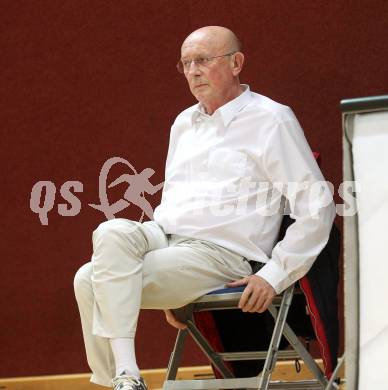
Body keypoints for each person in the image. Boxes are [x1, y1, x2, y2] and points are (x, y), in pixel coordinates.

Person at [74, 26, 335, 390]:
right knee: (109, 231)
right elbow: (176, 200)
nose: (193, 71)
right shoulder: (184, 122)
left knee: (88, 280)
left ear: (236, 63)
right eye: (185, 63)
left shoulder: (271, 119)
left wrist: (273, 274)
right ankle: (127, 376)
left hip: (221, 252)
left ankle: (121, 381)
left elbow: (317, 208)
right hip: (165, 239)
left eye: (202, 60)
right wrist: (170, 284)